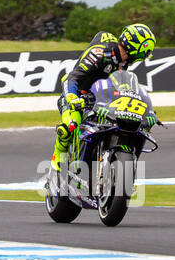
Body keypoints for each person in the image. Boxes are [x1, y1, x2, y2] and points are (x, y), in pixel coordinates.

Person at [51, 23, 156, 173]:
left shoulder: (123, 63)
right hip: (76, 95)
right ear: (136, 48)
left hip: (97, 101)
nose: (144, 56)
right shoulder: (100, 53)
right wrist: (72, 97)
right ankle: (57, 160)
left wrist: (145, 109)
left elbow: (124, 90)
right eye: (145, 52)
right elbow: (72, 78)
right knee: (70, 124)